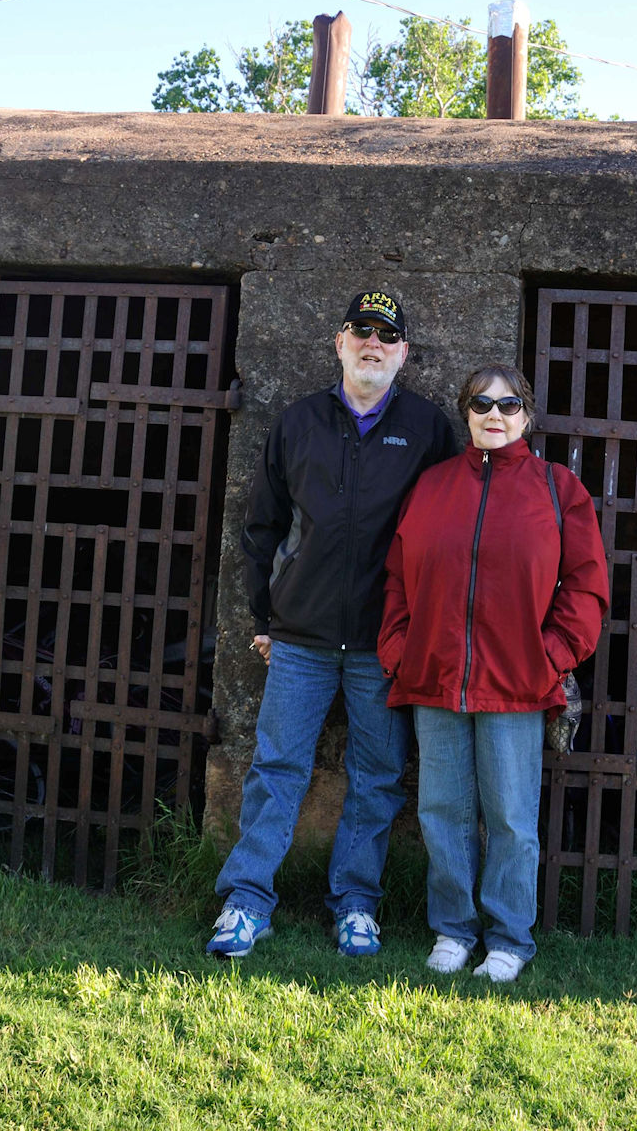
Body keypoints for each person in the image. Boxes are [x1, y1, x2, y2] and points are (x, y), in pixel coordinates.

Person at [206, 290, 459, 959]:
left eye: (386, 336)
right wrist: (267, 616)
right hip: (301, 638)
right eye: (360, 333)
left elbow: (443, 538)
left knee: (377, 776)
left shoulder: (429, 430)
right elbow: (261, 527)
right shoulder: (299, 422)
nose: (372, 345)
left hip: (385, 643)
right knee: (276, 768)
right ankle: (246, 901)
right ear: (339, 343)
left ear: (403, 352)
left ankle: (356, 905)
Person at [378, 364, 608, 982]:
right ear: (467, 414)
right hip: (435, 676)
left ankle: (509, 938)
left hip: (516, 684)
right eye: (481, 405)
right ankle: (453, 929)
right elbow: (398, 576)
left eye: (508, 405)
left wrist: (554, 654)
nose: (494, 415)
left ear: (526, 416)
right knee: (442, 810)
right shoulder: (432, 486)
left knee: (509, 816)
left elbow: (586, 587)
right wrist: (400, 648)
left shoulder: (559, 490)